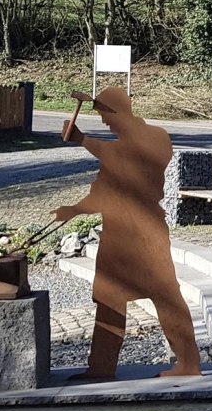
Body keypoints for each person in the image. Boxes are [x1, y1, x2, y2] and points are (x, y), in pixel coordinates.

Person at [53, 87, 201, 379]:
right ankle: (101, 368)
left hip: (146, 232)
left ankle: (188, 363)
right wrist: (75, 209)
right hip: (117, 236)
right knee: (109, 299)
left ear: (119, 111)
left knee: (166, 296)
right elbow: (104, 193)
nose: (106, 124)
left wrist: (83, 140)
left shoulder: (155, 138)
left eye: (106, 117)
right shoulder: (118, 152)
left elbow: (129, 159)